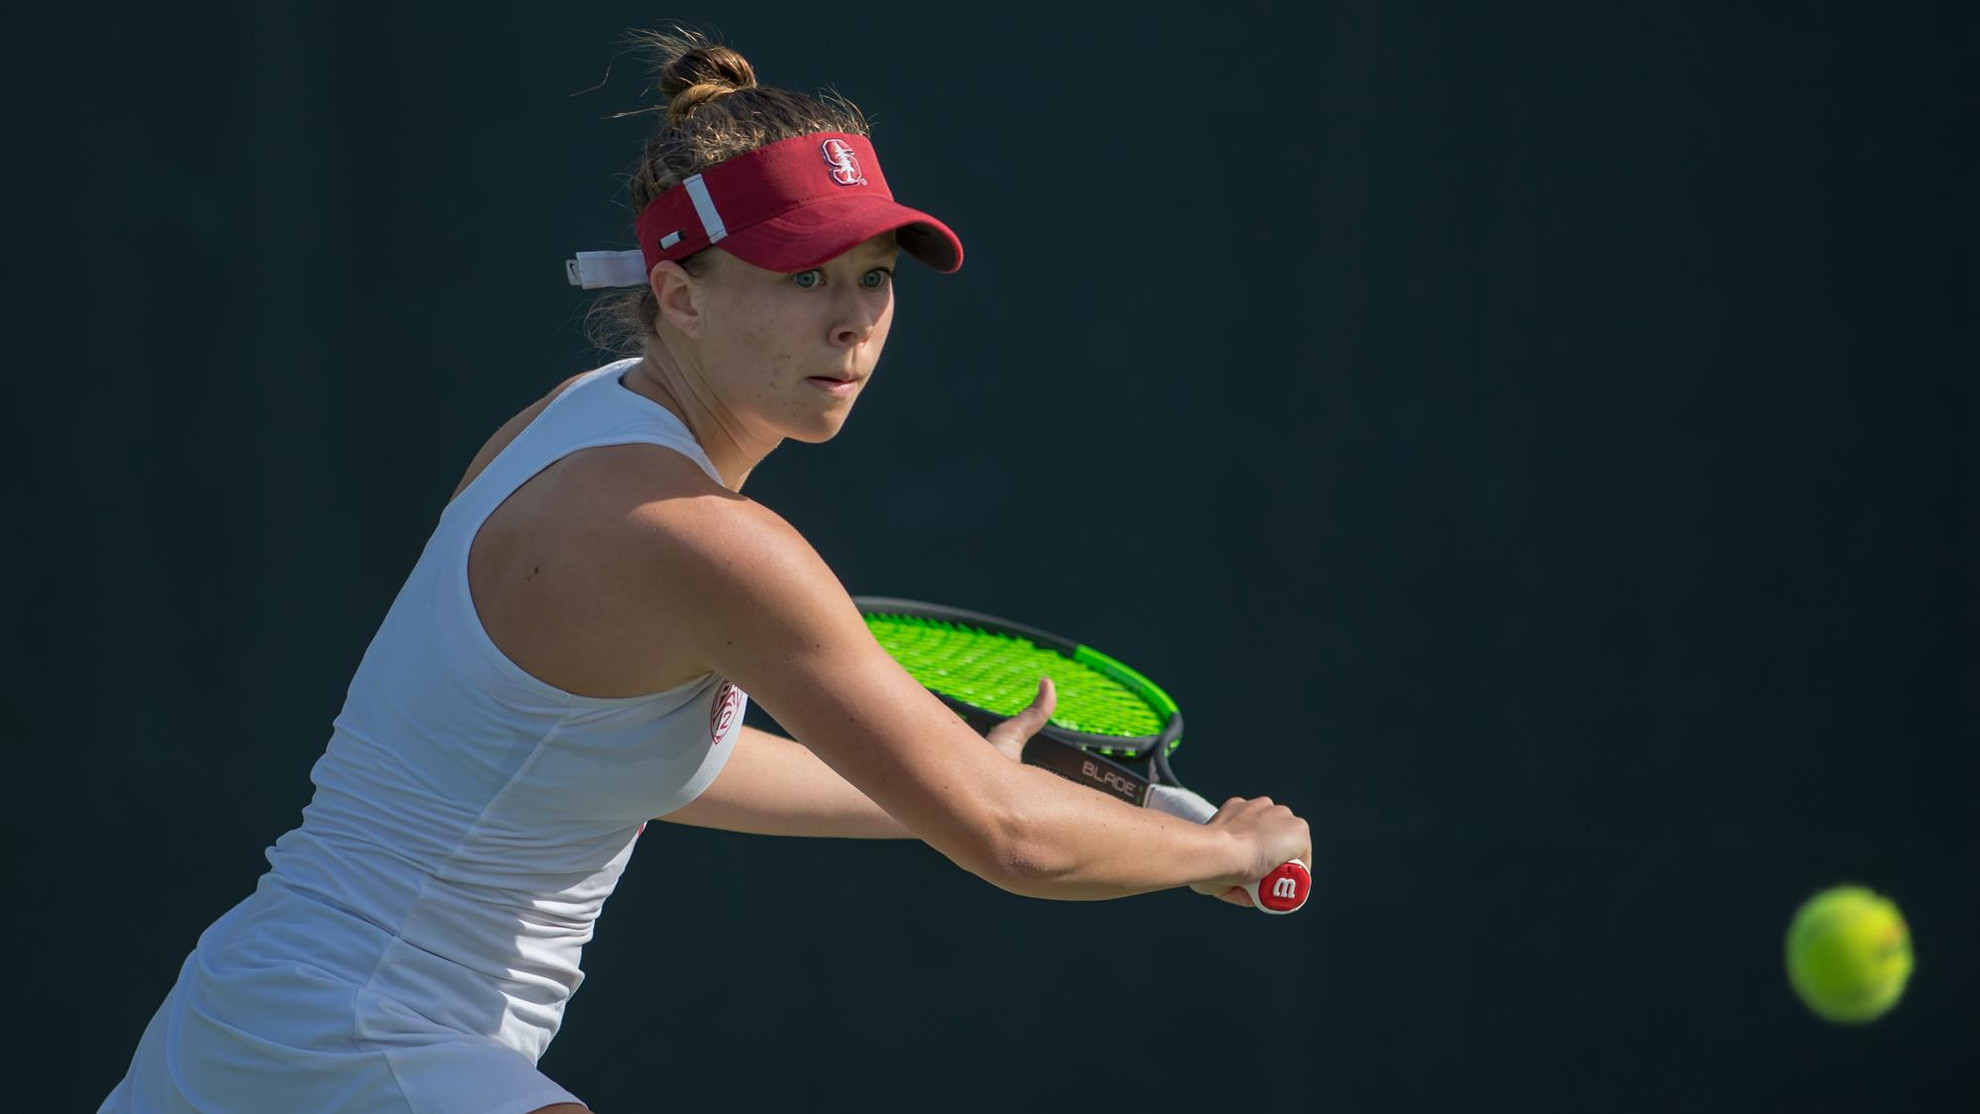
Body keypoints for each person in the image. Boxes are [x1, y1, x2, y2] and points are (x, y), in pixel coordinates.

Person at [101, 28, 1311, 1114]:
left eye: (873, 277)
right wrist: (1230, 854)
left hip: (254, 1015)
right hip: (360, 1044)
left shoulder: (571, 418)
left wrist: (935, 781)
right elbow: (1015, 842)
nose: (851, 321)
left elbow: (618, 758)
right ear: (675, 292)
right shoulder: (707, 539)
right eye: (800, 278)